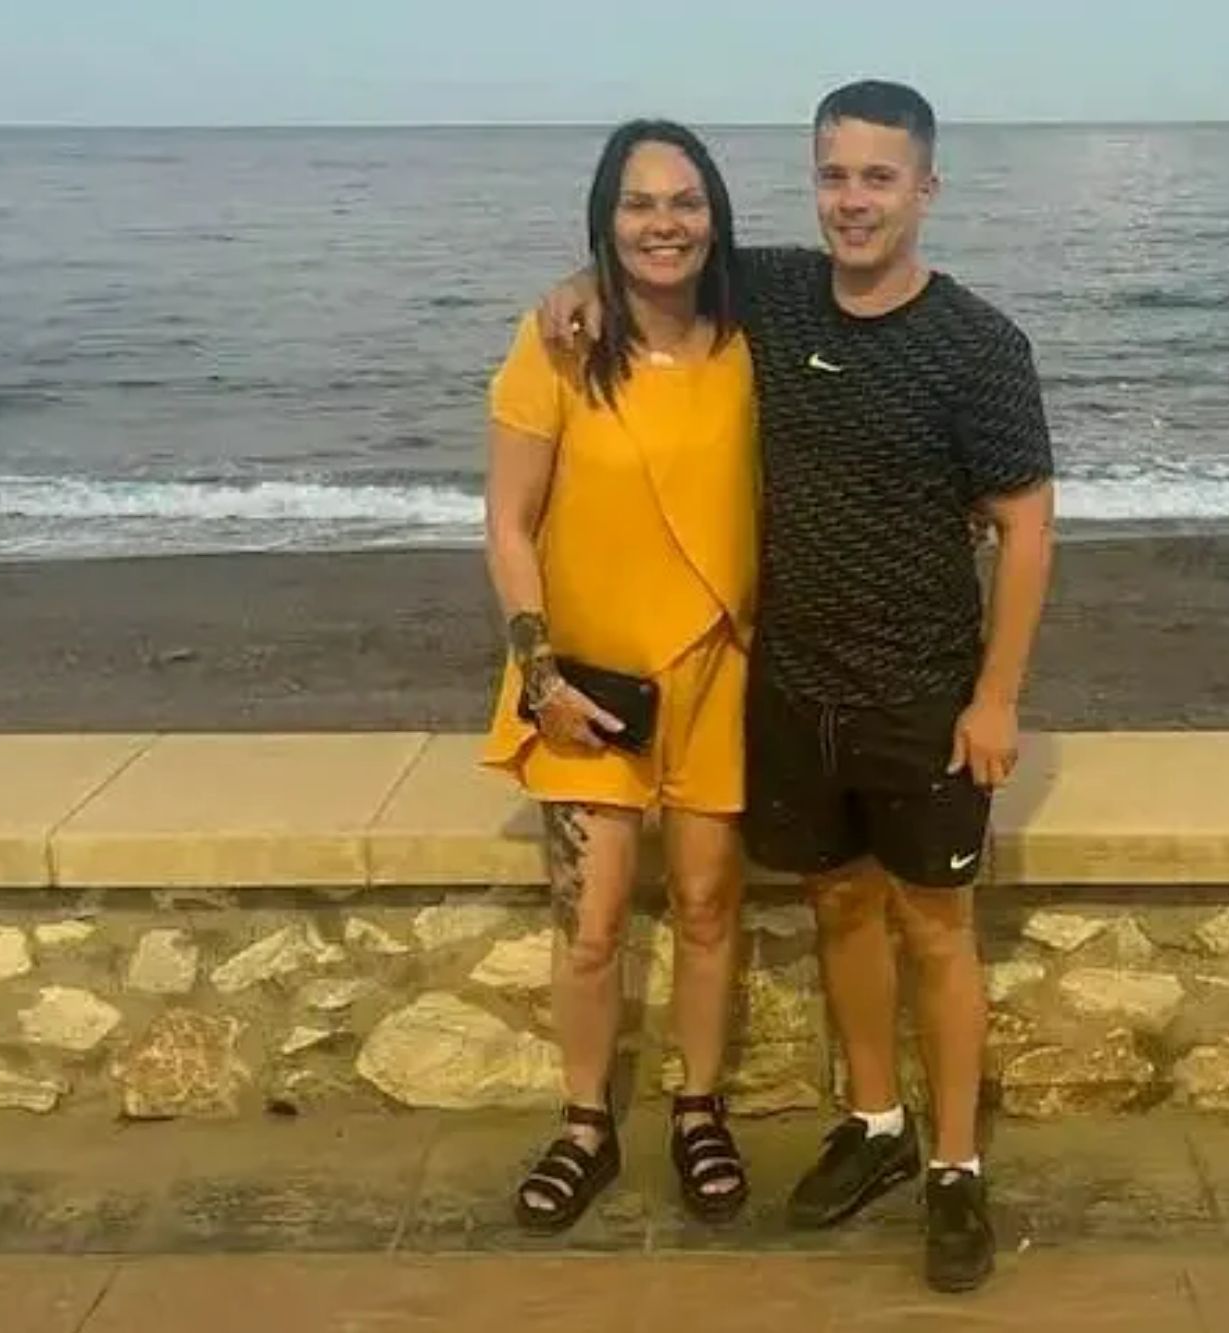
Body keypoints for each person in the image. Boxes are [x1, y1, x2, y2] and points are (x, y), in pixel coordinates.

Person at [543, 80, 1055, 1293]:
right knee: (838, 908)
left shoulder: (977, 344)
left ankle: (954, 1165)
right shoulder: (771, 294)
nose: (852, 201)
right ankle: (874, 1125)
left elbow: (1025, 528)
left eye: (878, 177)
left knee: (935, 926)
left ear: (925, 187)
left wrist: (995, 697)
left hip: (921, 692)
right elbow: (654, 264)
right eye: (833, 175)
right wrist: (572, 289)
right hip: (790, 685)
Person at [482, 119, 759, 1235]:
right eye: (639, 203)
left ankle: (698, 1107)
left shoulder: (750, 338)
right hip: (585, 690)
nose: (664, 223)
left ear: (715, 217)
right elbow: (508, 524)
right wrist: (539, 675)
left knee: (706, 906)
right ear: (605, 218)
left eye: (684, 201)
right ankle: (586, 1122)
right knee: (590, 925)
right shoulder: (556, 344)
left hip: (720, 669)